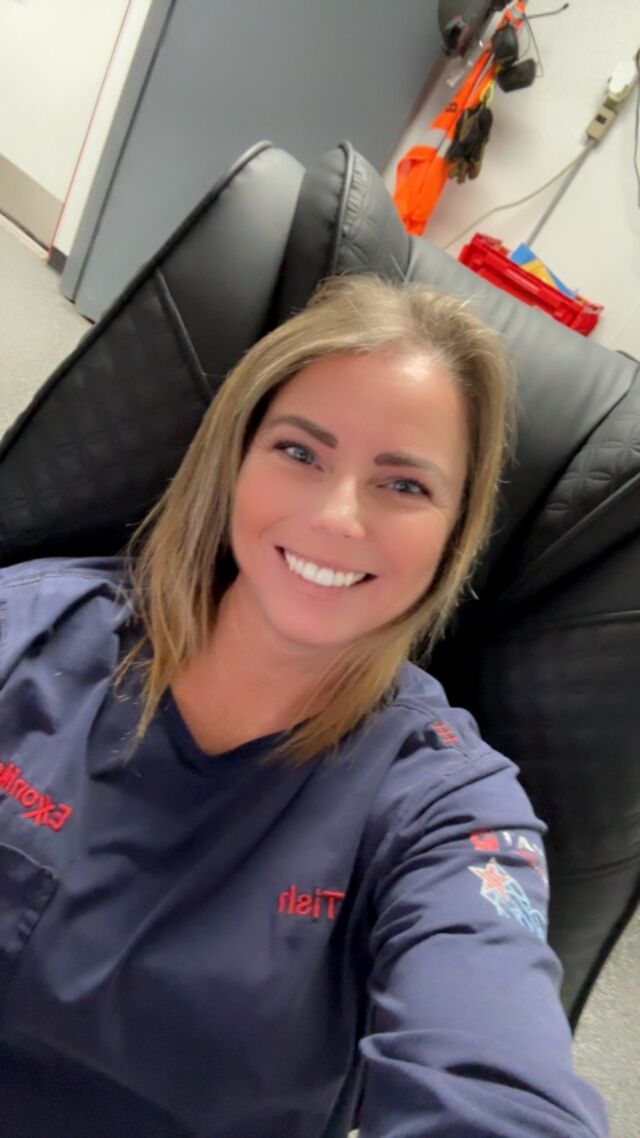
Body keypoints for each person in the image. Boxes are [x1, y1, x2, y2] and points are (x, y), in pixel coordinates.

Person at [0, 274, 608, 1138]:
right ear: (235, 459)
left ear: (454, 533)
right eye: (299, 452)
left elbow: (493, 1070)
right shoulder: (29, 630)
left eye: (404, 485)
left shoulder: (449, 810)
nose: (337, 517)